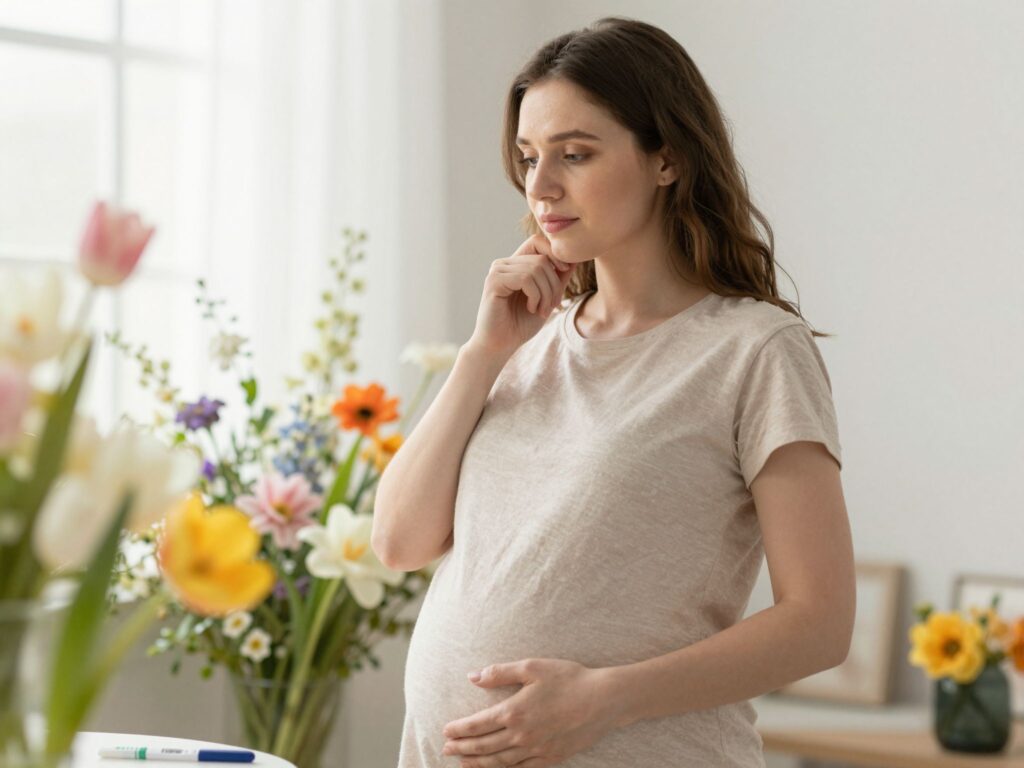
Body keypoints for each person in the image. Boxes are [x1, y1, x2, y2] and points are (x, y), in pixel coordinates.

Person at [373, 15, 855, 768]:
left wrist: (606, 699)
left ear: (666, 158)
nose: (541, 186)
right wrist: (480, 355)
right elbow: (398, 542)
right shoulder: (522, 343)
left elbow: (821, 622)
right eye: (529, 157)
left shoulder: (753, 351)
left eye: (576, 154)